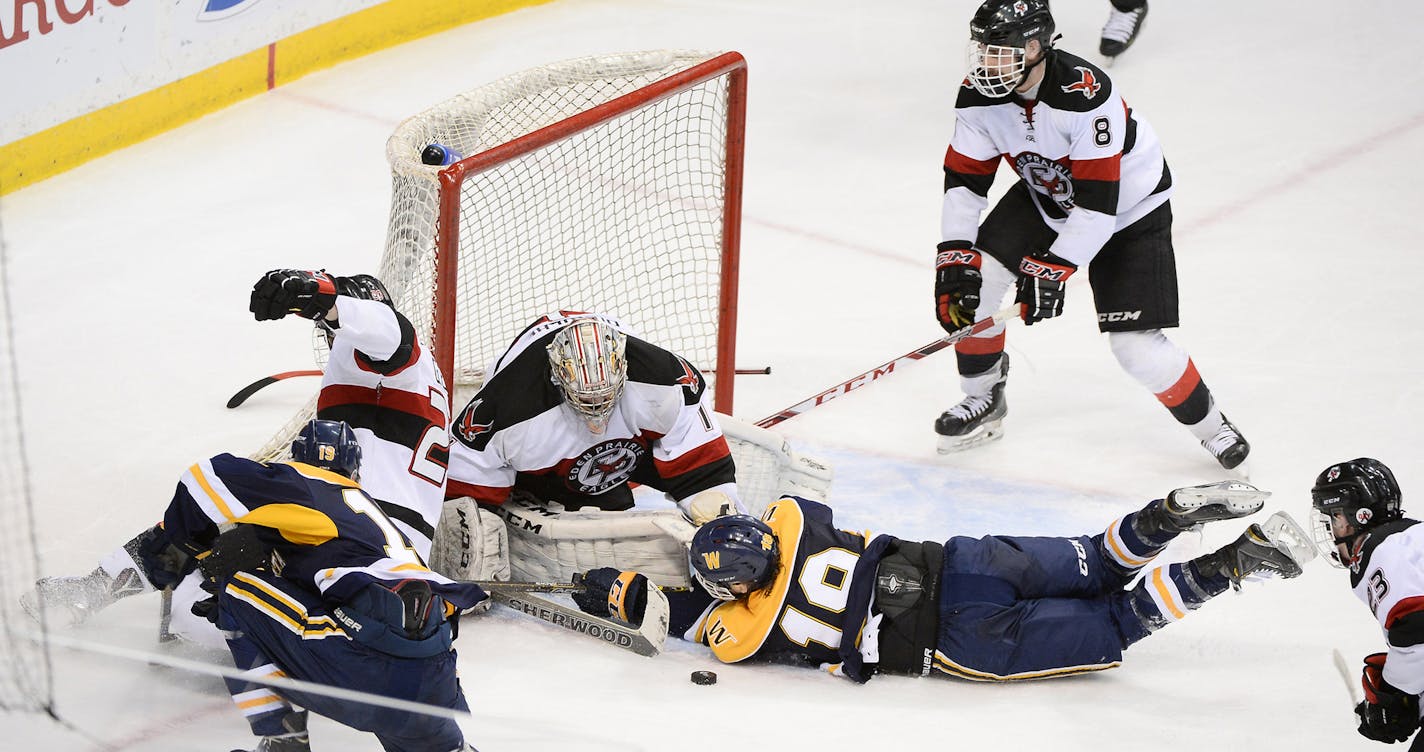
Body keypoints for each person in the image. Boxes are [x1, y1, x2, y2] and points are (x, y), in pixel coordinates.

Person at [23, 270, 503, 636]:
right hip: (386, 554)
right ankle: (141, 595)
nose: (333, 335)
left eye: (338, 326)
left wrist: (325, 297)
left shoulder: (398, 362)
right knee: (212, 557)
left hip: (355, 538)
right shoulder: (407, 382)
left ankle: (108, 591)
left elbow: (387, 329)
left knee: (215, 517)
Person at [572, 480, 1309, 682]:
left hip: (955, 639)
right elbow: (767, 529)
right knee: (1099, 555)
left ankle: (1231, 562)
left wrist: (622, 591)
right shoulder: (795, 517)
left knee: (1117, 622)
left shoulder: (745, 631)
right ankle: (1164, 517)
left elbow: (689, 622)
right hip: (960, 562)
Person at [932, 0, 1248, 470]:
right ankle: (983, 397)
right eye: (981, 50)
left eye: (998, 52)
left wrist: (1053, 269)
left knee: (1135, 347)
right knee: (974, 291)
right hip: (1046, 193)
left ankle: (1212, 427)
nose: (984, 63)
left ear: (1035, 48)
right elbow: (965, 181)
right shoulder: (980, 96)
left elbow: (1098, 207)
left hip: (1128, 213)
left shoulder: (1085, 95)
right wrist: (954, 257)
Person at [447, 310, 743, 524]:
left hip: (634, 444)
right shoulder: (506, 405)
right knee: (605, 505)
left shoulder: (666, 381)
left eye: (605, 396)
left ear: (623, 369)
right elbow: (465, 492)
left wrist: (715, 509)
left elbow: (704, 473)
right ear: (558, 378)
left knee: (712, 506)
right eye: (586, 399)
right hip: (544, 465)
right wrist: (473, 521)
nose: (596, 410)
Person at [1310, 458, 1424, 745]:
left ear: (1357, 517)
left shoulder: (1384, 552)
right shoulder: (1413, 537)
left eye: (1334, 518)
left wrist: (1395, 691)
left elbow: (1415, 626)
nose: (1331, 530)